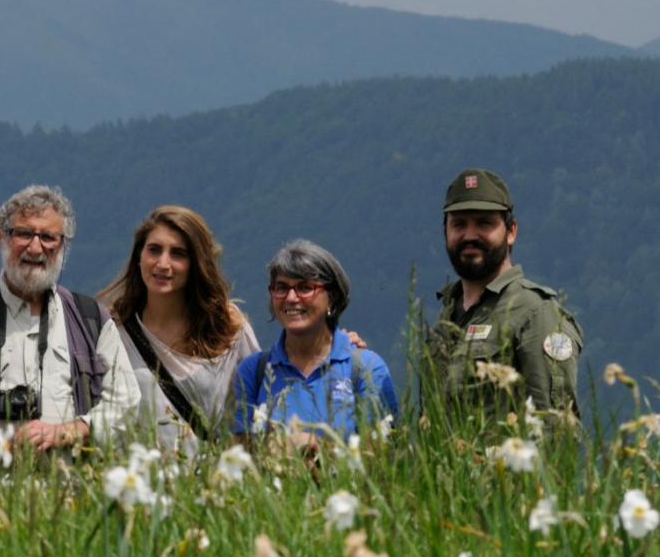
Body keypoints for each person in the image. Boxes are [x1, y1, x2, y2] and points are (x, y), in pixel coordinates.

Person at [0, 185, 139, 451]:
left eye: (48, 237)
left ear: (64, 245)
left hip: (68, 487)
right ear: (1, 238)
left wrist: (66, 433)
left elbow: (127, 404)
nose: (35, 248)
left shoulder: (91, 319)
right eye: (23, 234)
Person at [98, 206, 260, 456]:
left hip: (213, 486)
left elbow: (264, 398)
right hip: (141, 485)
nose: (163, 264)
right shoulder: (112, 331)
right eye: (154, 250)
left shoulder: (229, 328)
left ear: (196, 264)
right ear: (139, 256)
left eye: (178, 254)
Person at [429, 168, 582, 425]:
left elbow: (556, 428)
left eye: (483, 223)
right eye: (459, 224)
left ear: (511, 231)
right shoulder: (446, 318)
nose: (469, 235)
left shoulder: (534, 313)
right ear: (446, 232)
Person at [232, 240, 397, 446]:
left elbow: (380, 460)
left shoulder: (367, 369)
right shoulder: (253, 371)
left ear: (332, 298)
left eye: (305, 287)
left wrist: (306, 447)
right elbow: (242, 456)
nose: (291, 298)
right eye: (281, 288)